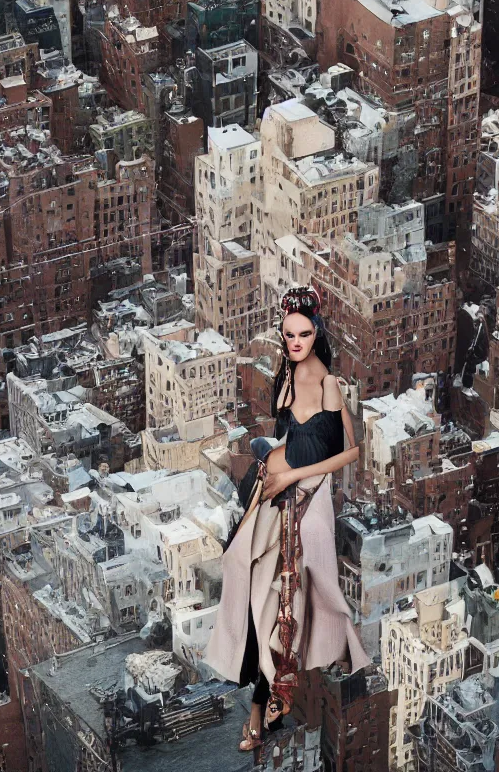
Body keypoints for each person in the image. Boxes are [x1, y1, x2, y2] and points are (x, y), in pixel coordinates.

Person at [205, 285, 370, 753]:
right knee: (245, 578)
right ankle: (262, 699)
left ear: (317, 332)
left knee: (281, 601)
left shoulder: (329, 384)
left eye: (303, 333)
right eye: (289, 335)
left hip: (307, 496)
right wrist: (269, 471)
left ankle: (273, 698)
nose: (296, 341)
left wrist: (290, 477)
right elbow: (282, 440)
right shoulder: (285, 380)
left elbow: (349, 452)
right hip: (272, 491)